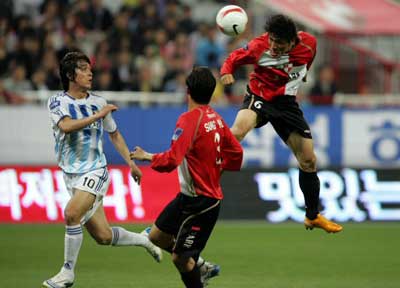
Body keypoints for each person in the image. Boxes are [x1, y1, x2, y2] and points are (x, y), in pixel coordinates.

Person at [43, 51, 162, 288]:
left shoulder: (98, 101)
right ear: (70, 74)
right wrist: (99, 115)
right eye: (84, 69)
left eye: (90, 69)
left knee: (71, 214)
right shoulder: (57, 102)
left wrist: (131, 163)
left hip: (96, 171)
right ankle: (144, 239)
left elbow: (114, 134)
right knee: (103, 236)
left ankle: (67, 273)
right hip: (71, 175)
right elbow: (66, 126)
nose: (90, 73)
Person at [220, 14, 343, 233]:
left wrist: (303, 75)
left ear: (293, 41)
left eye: (280, 43)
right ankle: (205, 172)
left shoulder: (309, 43)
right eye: (273, 40)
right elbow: (233, 58)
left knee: (308, 160)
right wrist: (226, 72)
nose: (274, 46)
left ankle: (312, 215)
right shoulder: (259, 46)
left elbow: (308, 58)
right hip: (259, 96)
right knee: (238, 132)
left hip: (286, 104)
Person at [130, 67, 243, 287]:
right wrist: (216, 169)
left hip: (203, 203)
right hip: (188, 197)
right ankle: (201, 265)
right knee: (155, 237)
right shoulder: (216, 118)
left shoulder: (189, 120)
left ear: (187, 91)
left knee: (180, 258)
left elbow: (171, 161)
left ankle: (198, 270)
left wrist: (147, 156)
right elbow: (237, 154)